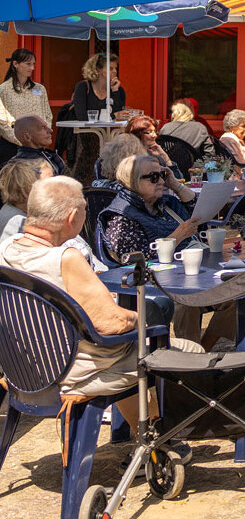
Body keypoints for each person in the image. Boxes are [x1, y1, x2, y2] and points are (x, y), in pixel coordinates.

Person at [0, 177, 201, 436]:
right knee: (186, 349)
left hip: (25, 370)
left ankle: (151, 435)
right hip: (76, 372)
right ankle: (166, 438)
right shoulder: (65, 257)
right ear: (73, 217)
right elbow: (111, 324)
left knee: (123, 351)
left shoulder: (5, 250)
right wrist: (139, 319)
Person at [99, 153, 203, 264]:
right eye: (154, 177)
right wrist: (177, 236)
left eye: (162, 175)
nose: (162, 182)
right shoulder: (120, 217)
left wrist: (175, 184)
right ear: (133, 180)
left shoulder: (166, 202)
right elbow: (134, 260)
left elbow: (199, 214)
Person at [0, 47, 52, 166]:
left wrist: (41, 137)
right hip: (12, 146)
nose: (32, 68)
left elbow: (47, 115)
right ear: (15, 64)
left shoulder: (40, 89)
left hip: (37, 146)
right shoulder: (3, 90)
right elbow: (2, 122)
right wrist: (23, 140)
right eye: (28, 64)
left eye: (33, 64)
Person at [0, 156, 53, 241]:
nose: (56, 187)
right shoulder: (19, 222)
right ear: (27, 188)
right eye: (48, 184)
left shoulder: (13, 210)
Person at [69, 52, 126, 122]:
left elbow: (119, 116)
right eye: (110, 68)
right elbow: (82, 116)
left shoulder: (118, 90)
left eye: (115, 68)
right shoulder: (83, 87)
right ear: (98, 70)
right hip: (83, 131)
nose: (115, 71)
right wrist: (113, 115)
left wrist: (115, 91)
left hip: (108, 132)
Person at [124, 114, 183, 179]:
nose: (154, 135)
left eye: (155, 131)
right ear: (137, 134)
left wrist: (165, 156)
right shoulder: (130, 156)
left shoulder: (154, 153)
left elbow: (178, 179)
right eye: (149, 132)